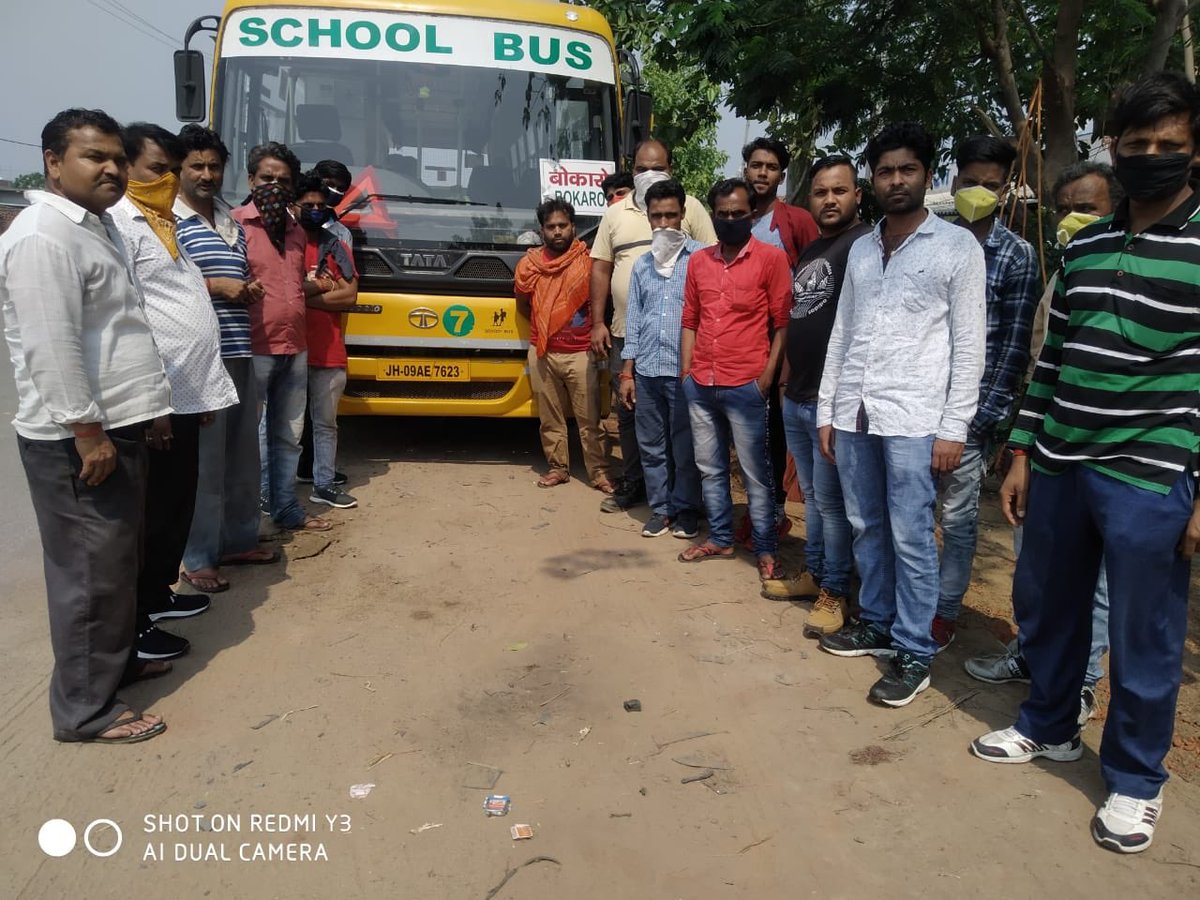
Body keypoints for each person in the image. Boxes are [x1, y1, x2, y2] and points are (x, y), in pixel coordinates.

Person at [970, 73, 1200, 855]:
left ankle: (1136, 780)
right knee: (1048, 605)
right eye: (1138, 145)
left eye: (1169, 146)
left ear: (1194, 150)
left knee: (1143, 636)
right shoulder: (1087, 243)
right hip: (1063, 459)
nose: (1153, 158)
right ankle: (1048, 725)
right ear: (1115, 149)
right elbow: (1054, 357)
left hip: (1151, 472)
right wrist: (1024, 451)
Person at [1, 108, 172, 742]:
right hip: (77, 441)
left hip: (115, 426)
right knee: (88, 578)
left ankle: (113, 671)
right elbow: (52, 344)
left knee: (116, 567)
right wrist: (87, 432)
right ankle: (84, 711)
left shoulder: (94, 228)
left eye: (117, 159)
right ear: (53, 162)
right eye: (92, 157)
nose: (111, 169)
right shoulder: (43, 236)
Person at [816, 122, 985, 708]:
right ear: (872, 180)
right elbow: (843, 333)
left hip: (918, 419)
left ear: (927, 176)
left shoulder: (958, 247)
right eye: (884, 171)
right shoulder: (863, 247)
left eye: (906, 170)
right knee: (866, 524)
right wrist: (829, 410)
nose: (895, 180)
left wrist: (953, 426)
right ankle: (878, 623)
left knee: (912, 534)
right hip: (857, 413)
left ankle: (915, 648)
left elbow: (970, 345)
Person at [964, 161, 1122, 725]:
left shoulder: (1129, 270)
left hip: (1110, 451)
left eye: (1089, 208)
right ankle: (1031, 653)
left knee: (1097, 579)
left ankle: (1082, 681)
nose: (1074, 218)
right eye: (1064, 209)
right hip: (1048, 437)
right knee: (1034, 561)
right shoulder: (1068, 272)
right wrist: (1021, 448)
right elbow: (1041, 361)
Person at [110, 123, 239, 663]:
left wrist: (201, 391)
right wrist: (159, 404)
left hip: (185, 394)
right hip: (156, 402)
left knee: (177, 502)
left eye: (170, 168)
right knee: (154, 511)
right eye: (155, 168)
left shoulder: (159, 223)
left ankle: (160, 597)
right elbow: (132, 319)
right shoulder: (120, 226)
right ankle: (137, 621)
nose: (166, 178)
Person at [931, 136, 1040, 649]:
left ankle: (944, 610)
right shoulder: (933, 242)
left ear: (1005, 190)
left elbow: (1014, 348)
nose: (979, 192)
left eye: (991, 185)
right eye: (971, 181)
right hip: (916, 406)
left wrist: (977, 423)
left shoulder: (1016, 256)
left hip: (969, 418)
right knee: (907, 511)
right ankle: (907, 597)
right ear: (954, 183)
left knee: (956, 518)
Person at [679, 177, 800, 596]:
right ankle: (720, 539)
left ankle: (766, 550)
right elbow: (690, 319)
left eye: (738, 213)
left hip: (746, 383)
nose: (730, 220)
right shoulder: (699, 262)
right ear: (713, 216)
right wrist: (686, 373)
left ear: (752, 215)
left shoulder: (771, 260)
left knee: (756, 474)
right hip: (702, 382)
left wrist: (766, 379)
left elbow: (782, 325)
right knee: (710, 469)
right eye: (723, 214)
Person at [175, 125, 277, 593]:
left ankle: (238, 541)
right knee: (206, 466)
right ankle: (198, 558)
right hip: (201, 360)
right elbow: (158, 286)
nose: (206, 174)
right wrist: (216, 286)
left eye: (214, 165)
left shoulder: (227, 219)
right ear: (179, 169)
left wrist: (245, 288)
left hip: (240, 350)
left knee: (243, 457)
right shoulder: (168, 222)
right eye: (196, 165)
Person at [590, 139, 717, 513]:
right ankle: (636, 484)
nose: (649, 174)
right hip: (627, 334)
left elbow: (709, 261)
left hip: (681, 343)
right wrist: (597, 321)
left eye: (657, 167)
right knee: (631, 417)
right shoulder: (616, 213)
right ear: (632, 169)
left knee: (681, 425)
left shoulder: (689, 206)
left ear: (671, 168)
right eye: (642, 168)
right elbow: (601, 266)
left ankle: (681, 498)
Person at [777, 156, 871, 625]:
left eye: (839, 190)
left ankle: (836, 590)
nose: (829, 199)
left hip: (830, 402)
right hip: (797, 394)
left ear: (857, 194)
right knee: (812, 498)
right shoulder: (813, 249)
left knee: (833, 504)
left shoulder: (866, 245)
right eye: (820, 192)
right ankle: (814, 573)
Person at [232, 142, 334, 532]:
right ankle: (248, 518)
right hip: (253, 347)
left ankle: (286, 508)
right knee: (249, 440)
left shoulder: (296, 232)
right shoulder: (234, 224)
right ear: (251, 180)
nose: (274, 186)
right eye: (266, 178)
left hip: (295, 346)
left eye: (283, 181)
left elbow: (294, 284)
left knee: (289, 435)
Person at [741, 137, 821, 544]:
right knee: (746, 432)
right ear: (745, 169)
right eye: (756, 165)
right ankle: (755, 509)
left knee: (774, 432)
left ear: (781, 175)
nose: (762, 173)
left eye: (770, 167)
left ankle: (774, 514)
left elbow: (814, 279)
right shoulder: (735, 214)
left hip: (781, 343)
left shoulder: (796, 221)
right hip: (739, 343)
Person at [618, 178, 703, 538]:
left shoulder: (701, 259)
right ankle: (661, 509)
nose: (665, 224)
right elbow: (634, 319)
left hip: (685, 372)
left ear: (683, 214)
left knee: (685, 449)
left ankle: (686, 511)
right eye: (657, 217)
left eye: (671, 215)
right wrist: (627, 372)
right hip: (648, 372)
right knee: (651, 446)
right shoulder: (641, 265)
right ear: (648, 219)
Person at [515, 199, 611, 490]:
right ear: (542, 231)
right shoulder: (529, 266)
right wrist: (548, 322)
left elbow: (600, 304)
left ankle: (599, 473)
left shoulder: (588, 262)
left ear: (573, 227)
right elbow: (523, 305)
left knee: (589, 419)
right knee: (550, 417)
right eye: (550, 227)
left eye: (563, 225)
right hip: (543, 351)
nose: (557, 231)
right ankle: (558, 468)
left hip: (581, 353)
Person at [295, 174, 360, 509]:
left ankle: (324, 484)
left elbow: (349, 296)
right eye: (309, 205)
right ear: (294, 206)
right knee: (284, 428)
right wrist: (322, 286)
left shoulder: (336, 245)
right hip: (287, 348)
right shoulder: (284, 244)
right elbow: (278, 290)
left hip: (329, 350)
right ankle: (274, 491)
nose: (316, 210)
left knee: (325, 425)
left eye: (322, 205)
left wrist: (302, 295)